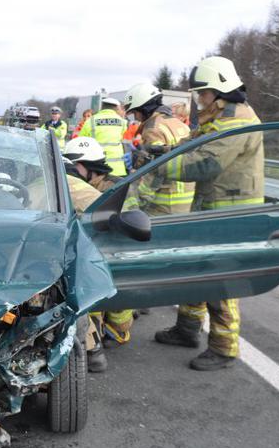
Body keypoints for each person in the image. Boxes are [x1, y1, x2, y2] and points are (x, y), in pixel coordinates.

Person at [153, 56, 263, 371]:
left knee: (220, 281)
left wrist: (160, 166)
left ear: (220, 89)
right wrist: (163, 151)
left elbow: (206, 163)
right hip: (210, 209)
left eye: (203, 92)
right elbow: (193, 145)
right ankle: (187, 329)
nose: (200, 98)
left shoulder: (238, 120)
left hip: (230, 215)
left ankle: (224, 349)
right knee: (197, 270)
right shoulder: (218, 115)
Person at [59, 137, 116, 372]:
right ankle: (96, 347)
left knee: (76, 295)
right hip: (93, 249)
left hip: (94, 251)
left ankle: (94, 348)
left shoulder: (69, 184)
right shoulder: (82, 184)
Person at [122, 82, 194, 215]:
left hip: (164, 202)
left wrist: (139, 201)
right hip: (187, 198)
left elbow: (156, 168)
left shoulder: (152, 129)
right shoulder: (179, 123)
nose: (135, 118)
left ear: (144, 108)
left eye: (135, 112)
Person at [77, 97, 128, 176]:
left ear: (102, 107)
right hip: (118, 169)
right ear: (116, 108)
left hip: (97, 170)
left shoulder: (90, 121)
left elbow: (80, 143)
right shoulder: (123, 122)